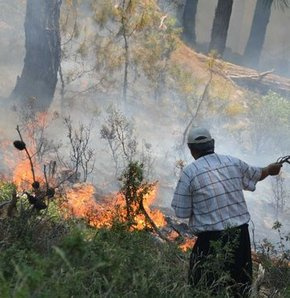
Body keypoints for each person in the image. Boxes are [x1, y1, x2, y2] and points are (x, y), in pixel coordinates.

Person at [171, 126, 282, 297]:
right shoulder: (232, 162)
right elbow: (257, 174)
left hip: (210, 242)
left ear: (191, 150)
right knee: (239, 288)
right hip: (240, 238)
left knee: (203, 288)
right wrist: (270, 169)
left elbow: (181, 212)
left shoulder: (189, 173)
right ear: (213, 144)